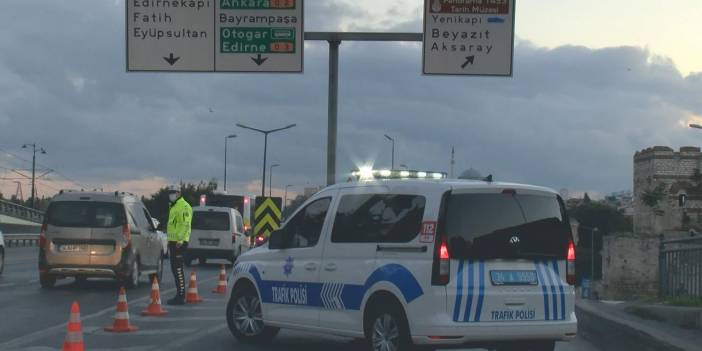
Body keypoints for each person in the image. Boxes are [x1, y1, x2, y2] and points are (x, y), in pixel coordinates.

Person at [166, 185, 192, 305]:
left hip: (179, 243)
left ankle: (181, 296)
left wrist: (180, 240)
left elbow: (185, 224)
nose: (170, 195)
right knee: (174, 268)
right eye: (169, 193)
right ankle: (179, 294)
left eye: (173, 192)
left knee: (178, 269)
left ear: (178, 193)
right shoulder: (173, 206)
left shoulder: (184, 206)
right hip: (173, 242)